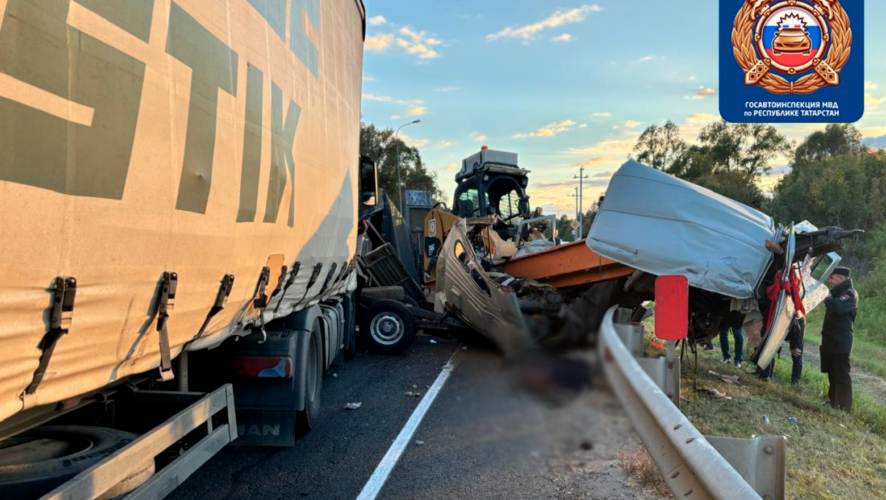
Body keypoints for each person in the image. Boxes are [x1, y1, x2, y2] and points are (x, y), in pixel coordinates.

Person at [820, 267, 858, 412]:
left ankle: (844, 407)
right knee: (832, 372)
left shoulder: (850, 294)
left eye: (832, 278)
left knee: (842, 374)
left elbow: (837, 306)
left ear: (841, 278)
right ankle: (833, 402)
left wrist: (827, 298)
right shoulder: (836, 293)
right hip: (830, 339)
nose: (830, 281)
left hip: (841, 341)